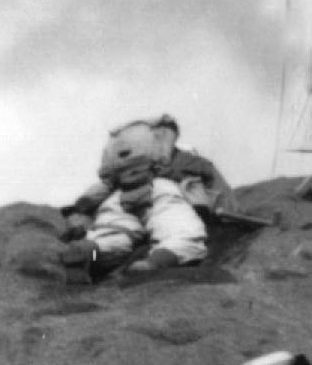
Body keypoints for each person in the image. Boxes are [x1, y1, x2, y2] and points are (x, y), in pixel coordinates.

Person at [62, 114, 232, 279]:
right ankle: (157, 261)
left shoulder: (116, 159)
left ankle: (91, 252)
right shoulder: (180, 157)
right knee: (180, 231)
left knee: (113, 236)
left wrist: (79, 211)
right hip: (159, 192)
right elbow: (207, 173)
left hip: (118, 197)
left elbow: (97, 191)